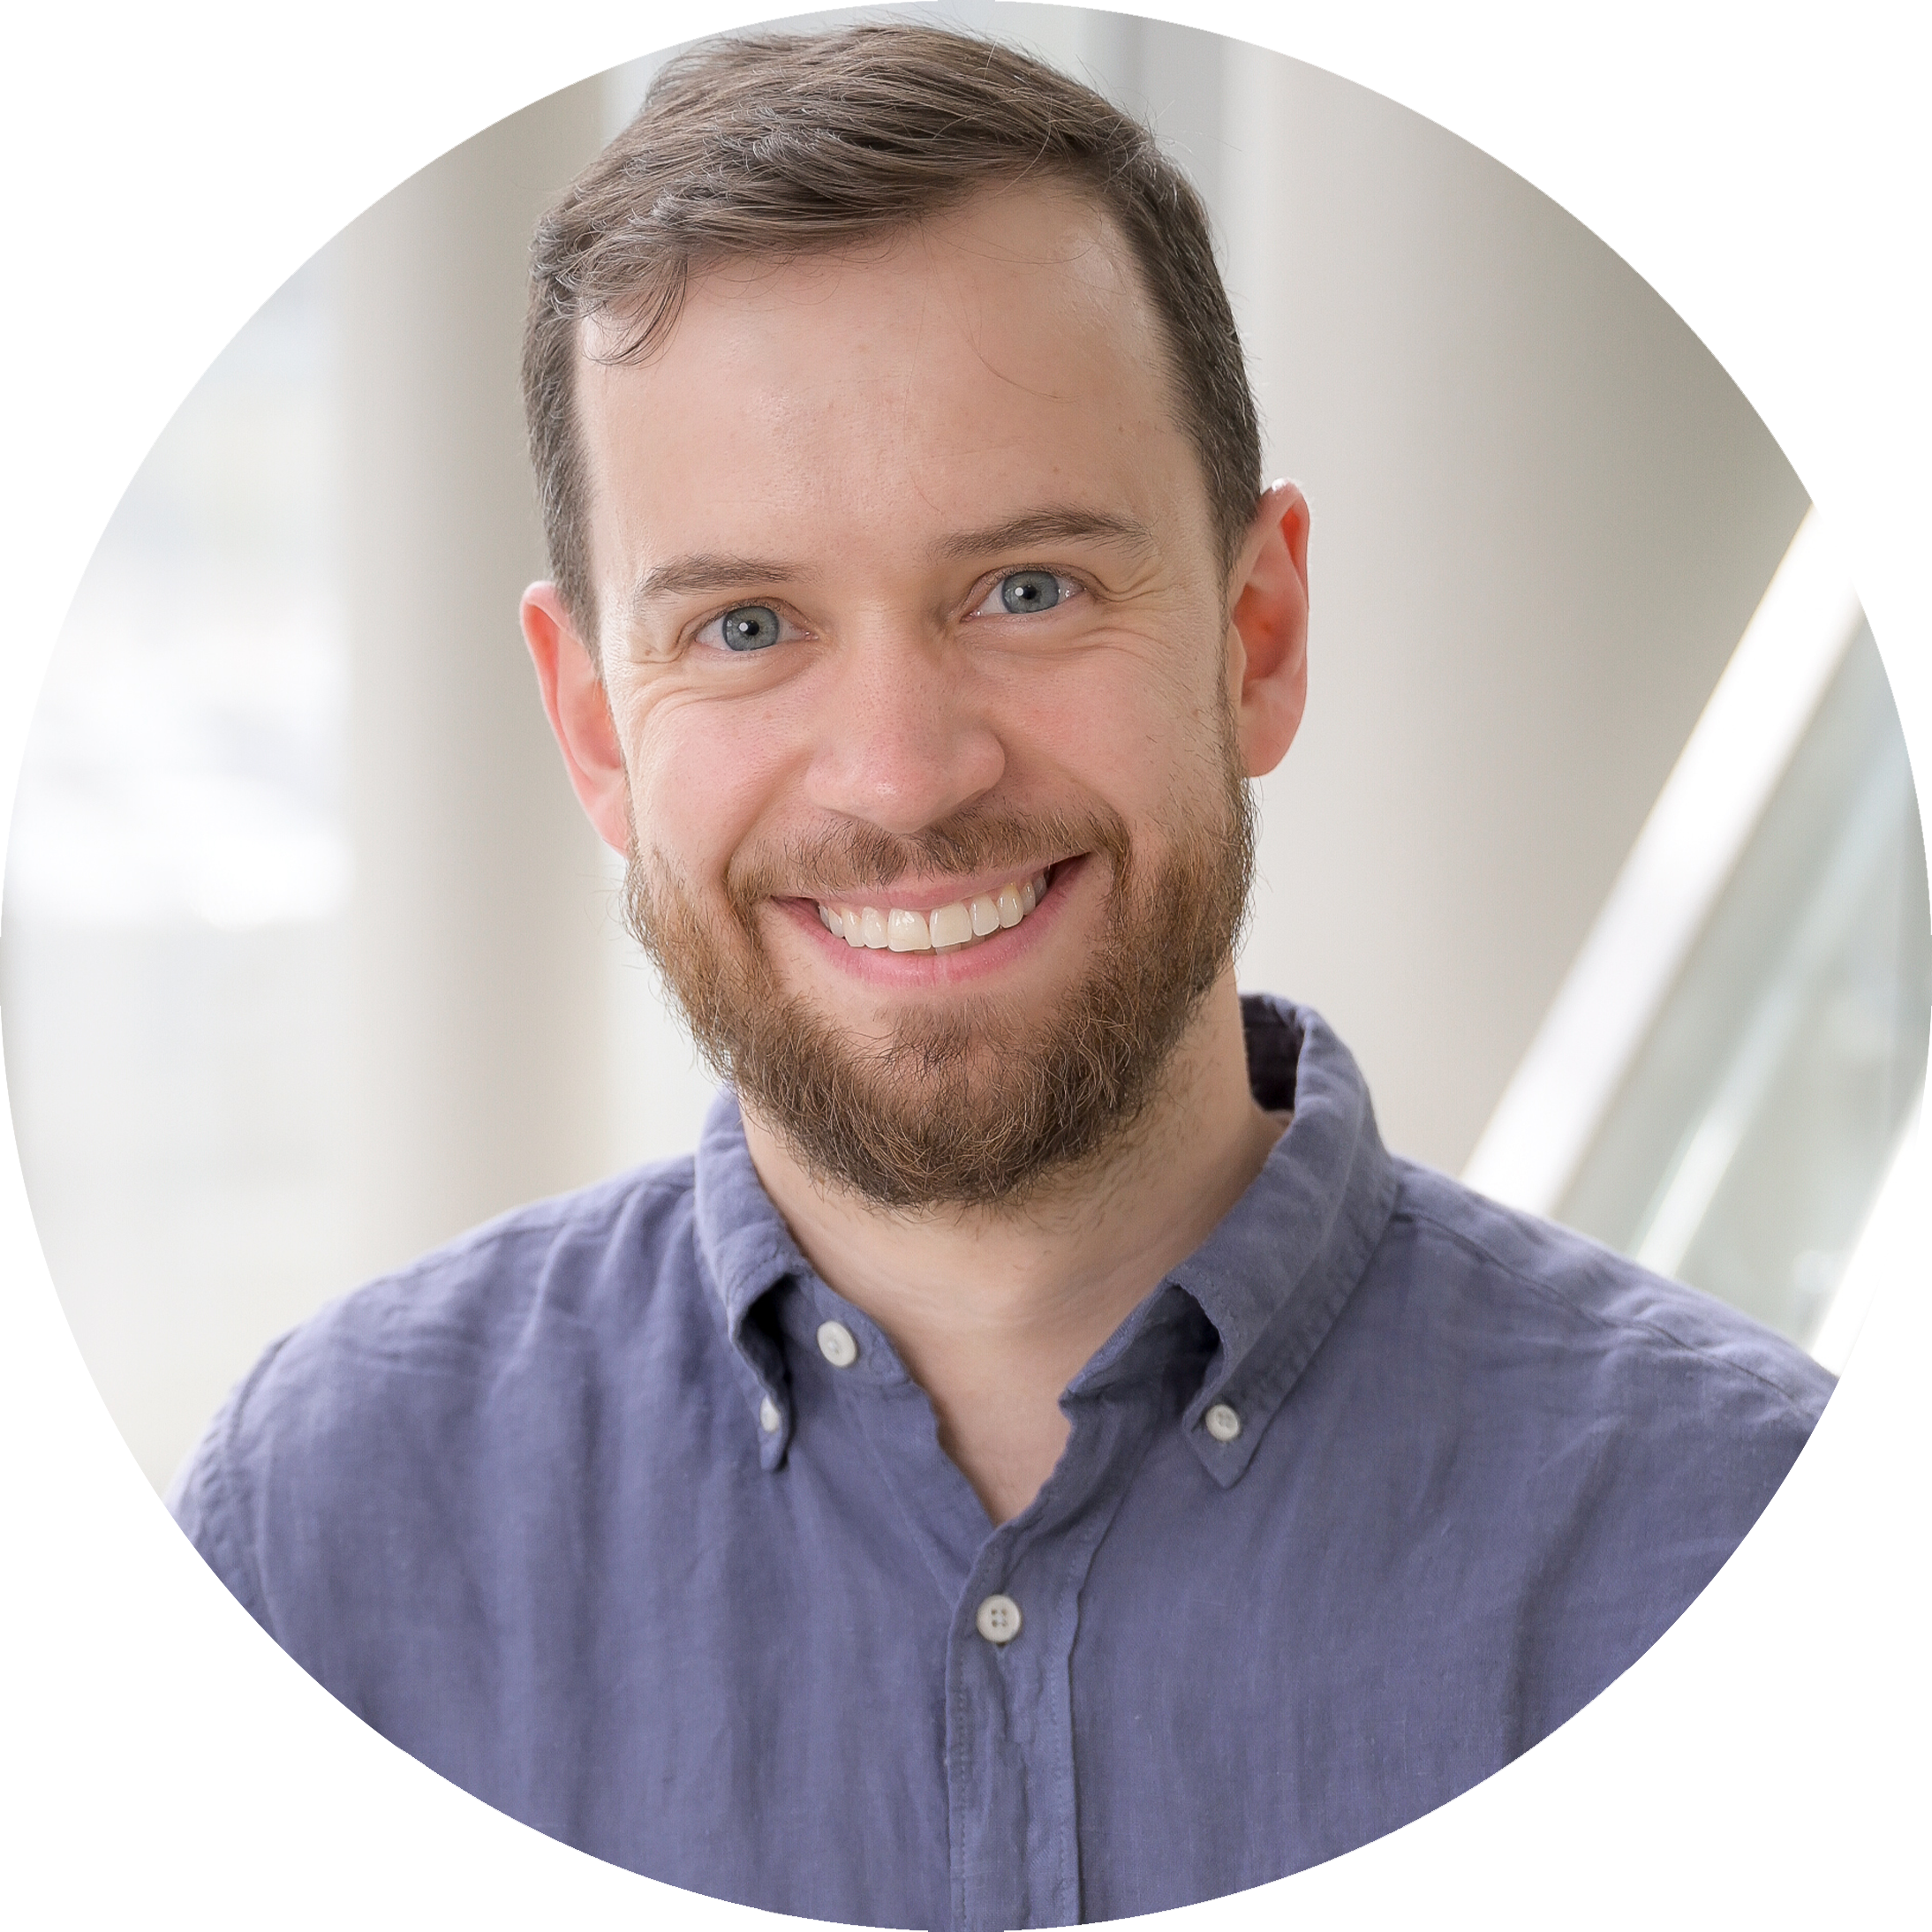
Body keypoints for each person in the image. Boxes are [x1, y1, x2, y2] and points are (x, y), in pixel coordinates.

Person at [102, 23, 1932, 1928]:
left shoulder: (1803, 1579)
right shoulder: (304, 1552)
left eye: (1028, 588)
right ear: (592, 727)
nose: (902, 771)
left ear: (1257, 632)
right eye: (745, 625)